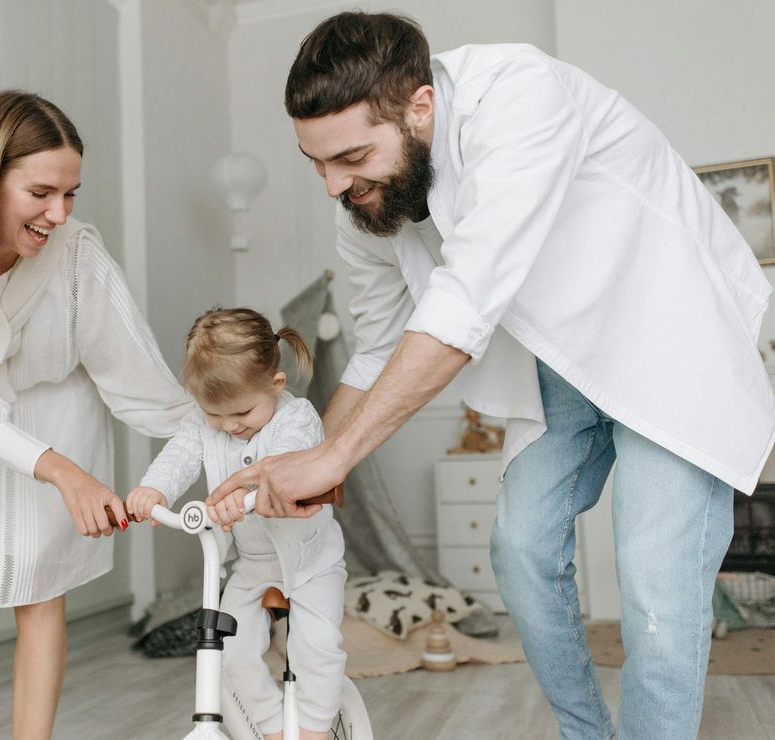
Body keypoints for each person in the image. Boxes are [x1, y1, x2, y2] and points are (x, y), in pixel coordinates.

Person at [208, 12, 775, 740]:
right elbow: (379, 347)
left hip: (667, 341)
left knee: (655, 586)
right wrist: (299, 455)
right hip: (560, 362)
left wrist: (333, 457)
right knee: (521, 549)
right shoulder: (367, 203)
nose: (331, 185)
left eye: (350, 156)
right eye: (316, 163)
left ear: (420, 107)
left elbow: (465, 302)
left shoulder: (520, 94)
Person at [0, 90, 194, 740]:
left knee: (42, 598)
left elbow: (134, 376)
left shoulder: (77, 256)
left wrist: (226, 429)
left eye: (71, 194)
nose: (60, 213)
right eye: (42, 193)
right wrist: (59, 472)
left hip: (61, 418)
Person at [126, 308, 347, 740]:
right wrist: (154, 491)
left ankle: (315, 729)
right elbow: (180, 454)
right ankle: (271, 727)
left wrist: (238, 498)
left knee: (317, 647)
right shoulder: (202, 425)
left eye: (242, 412)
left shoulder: (296, 418)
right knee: (227, 648)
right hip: (252, 562)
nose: (229, 427)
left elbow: (281, 466)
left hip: (310, 560)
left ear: (276, 385)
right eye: (214, 415)